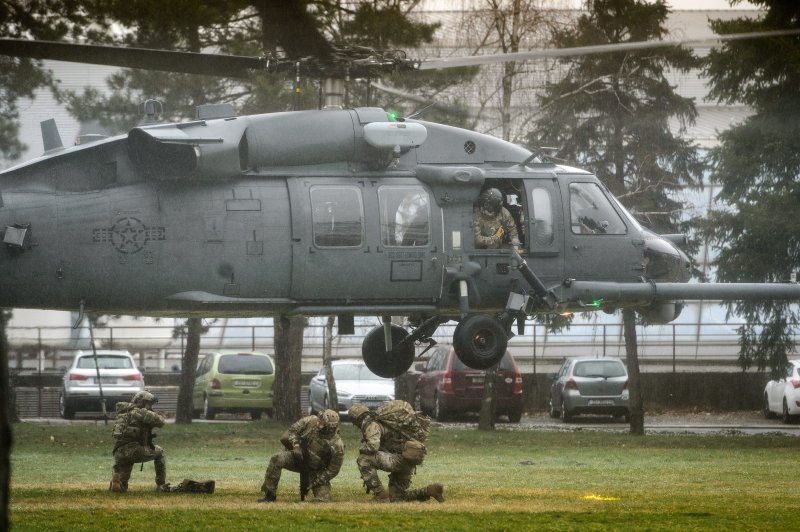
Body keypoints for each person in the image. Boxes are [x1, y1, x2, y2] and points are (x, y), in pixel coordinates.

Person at [349, 401, 444, 503]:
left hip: (398, 460)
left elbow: (373, 446)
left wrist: (362, 449)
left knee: (364, 459)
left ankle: (380, 495)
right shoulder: (386, 423)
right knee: (397, 497)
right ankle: (430, 490)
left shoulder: (371, 424)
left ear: (356, 419)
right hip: (408, 461)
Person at [258, 409, 344, 503]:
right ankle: (269, 495)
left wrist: (319, 481)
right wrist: (296, 446)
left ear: (329, 428)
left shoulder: (337, 445)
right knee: (277, 458)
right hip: (298, 458)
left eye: (322, 424)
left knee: (322, 500)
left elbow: (334, 469)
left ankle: (315, 494)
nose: (318, 424)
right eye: (319, 420)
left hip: (316, 470)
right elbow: (291, 432)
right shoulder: (310, 421)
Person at [109, 390, 167, 493]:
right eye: (149, 404)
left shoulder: (123, 412)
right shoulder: (141, 412)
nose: (150, 407)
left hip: (119, 451)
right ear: (141, 402)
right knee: (160, 452)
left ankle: (116, 481)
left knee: (122, 484)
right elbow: (161, 422)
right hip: (134, 451)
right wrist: (153, 412)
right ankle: (161, 485)